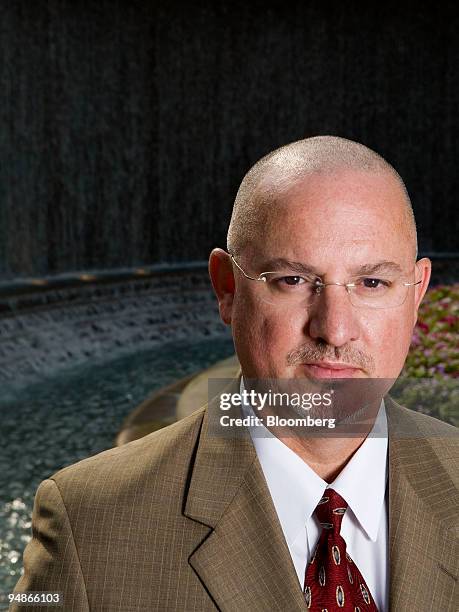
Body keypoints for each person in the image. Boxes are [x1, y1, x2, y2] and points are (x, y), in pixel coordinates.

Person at [12, 137, 457, 611]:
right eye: (293, 280)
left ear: (415, 292)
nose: (335, 328)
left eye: (372, 282)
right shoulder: (88, 524)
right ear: (227, 288)